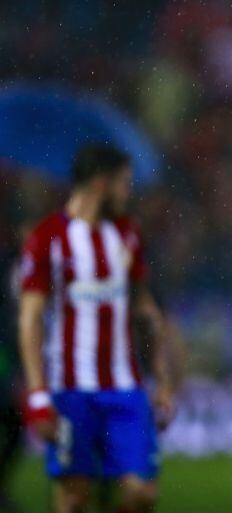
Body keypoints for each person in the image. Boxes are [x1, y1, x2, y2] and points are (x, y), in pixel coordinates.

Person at [18, 145, 175, 513]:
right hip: (71, 389)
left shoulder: (126, 235)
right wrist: (39, 395)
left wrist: (162, 380)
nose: (128, 193)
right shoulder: (47, 238)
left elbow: (143, 309)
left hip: (126, 388)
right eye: (124, 184)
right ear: (101, 185)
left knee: (141, 494)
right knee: (74, 497)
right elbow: (30, 319)